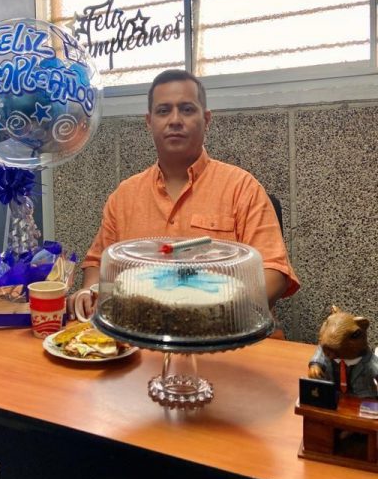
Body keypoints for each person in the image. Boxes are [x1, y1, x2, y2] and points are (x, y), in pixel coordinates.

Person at [68, 68, 299, 321]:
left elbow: (274, 274)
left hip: (225, 335)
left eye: (187, 109)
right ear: (149, 121)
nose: (175, 119)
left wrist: (208, 313)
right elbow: (98, 263)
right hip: (137, 338)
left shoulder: (242, 188)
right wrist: (89, 291)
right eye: (163, 110)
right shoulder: (124, 196)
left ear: (207, 119)